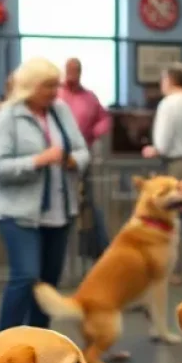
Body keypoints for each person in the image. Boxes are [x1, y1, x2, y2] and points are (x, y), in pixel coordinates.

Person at [0, 57, 88, 331]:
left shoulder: (60, 111)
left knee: (47, 285)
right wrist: (37, 161)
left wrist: (72, 160)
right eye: (48, 86)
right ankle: (4, 341)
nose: (55, 92)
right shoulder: (7, 118)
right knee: (25, 276)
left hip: (59, 212)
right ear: (30, 87)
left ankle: (40, 341)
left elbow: (82, 150)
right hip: (19, 214)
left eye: (56, 85)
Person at [143, 63, 182, 282]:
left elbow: (163, 143)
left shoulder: (168, 104)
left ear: (170, 81)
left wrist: (153, 149)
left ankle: (175, 268)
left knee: (173, 216)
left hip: (177, 166)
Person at [59, 57, 111, 257]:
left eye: (76, 70)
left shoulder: (90, 97)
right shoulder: (56, 95)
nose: (73, 74)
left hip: (82, 157)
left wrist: (96, 131)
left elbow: (104, 118)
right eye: (70, 70)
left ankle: (96, 250)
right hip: (58, 157)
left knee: (87, 205)